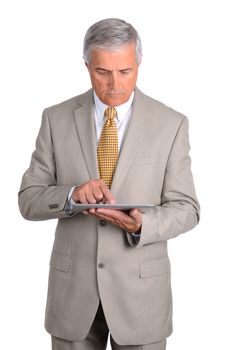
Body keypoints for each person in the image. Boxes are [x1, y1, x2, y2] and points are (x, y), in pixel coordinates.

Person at [18, 18, 200, 350]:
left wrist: (142, 225)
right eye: (103, 72)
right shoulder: (55, 119)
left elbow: (187, 209)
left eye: (125, 71)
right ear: (87, 65)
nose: (115, 84)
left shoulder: (171, 125)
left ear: (139, 63)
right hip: (72, 298)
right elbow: (28, 199)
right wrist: (71, 195)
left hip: (141, 300)